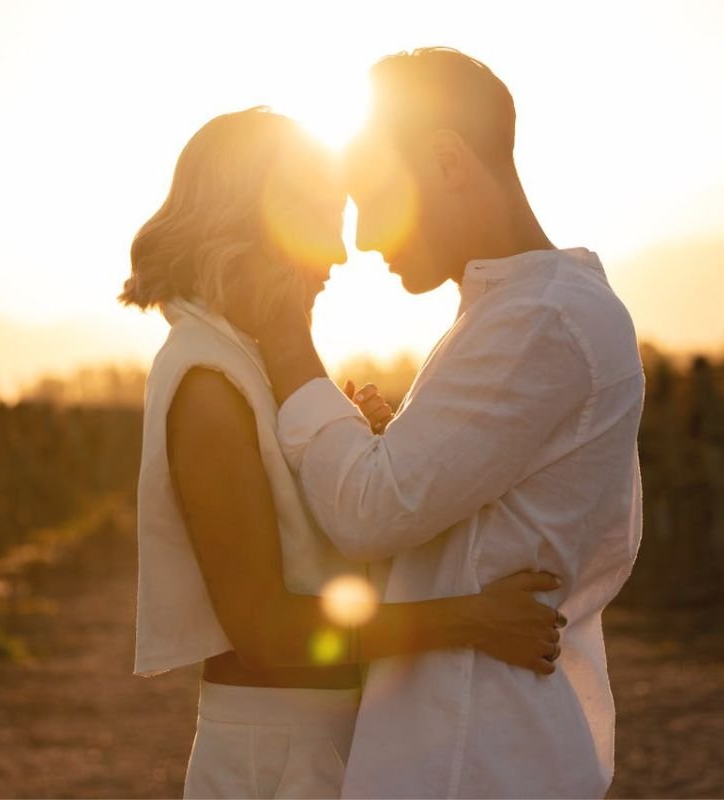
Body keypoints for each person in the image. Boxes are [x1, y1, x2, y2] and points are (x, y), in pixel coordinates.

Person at [121, 107, 565, 800]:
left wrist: (366, 449)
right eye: (322, 221)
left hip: (324, 738)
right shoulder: (207, 384)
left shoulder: (250, 361)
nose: (338, 252)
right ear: (254, 224)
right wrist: (469, 619)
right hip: (277, 757)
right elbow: (267, 631)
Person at [236, 49, 645, 798]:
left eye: (373, 195)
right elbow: (446, 503)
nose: (361, 239)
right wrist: (393, 441)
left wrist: (288, 342)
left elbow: (370, 511)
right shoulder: (516, 310)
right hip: (468, 737)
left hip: (476, 750)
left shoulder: (541, 319)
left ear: (448, 161)